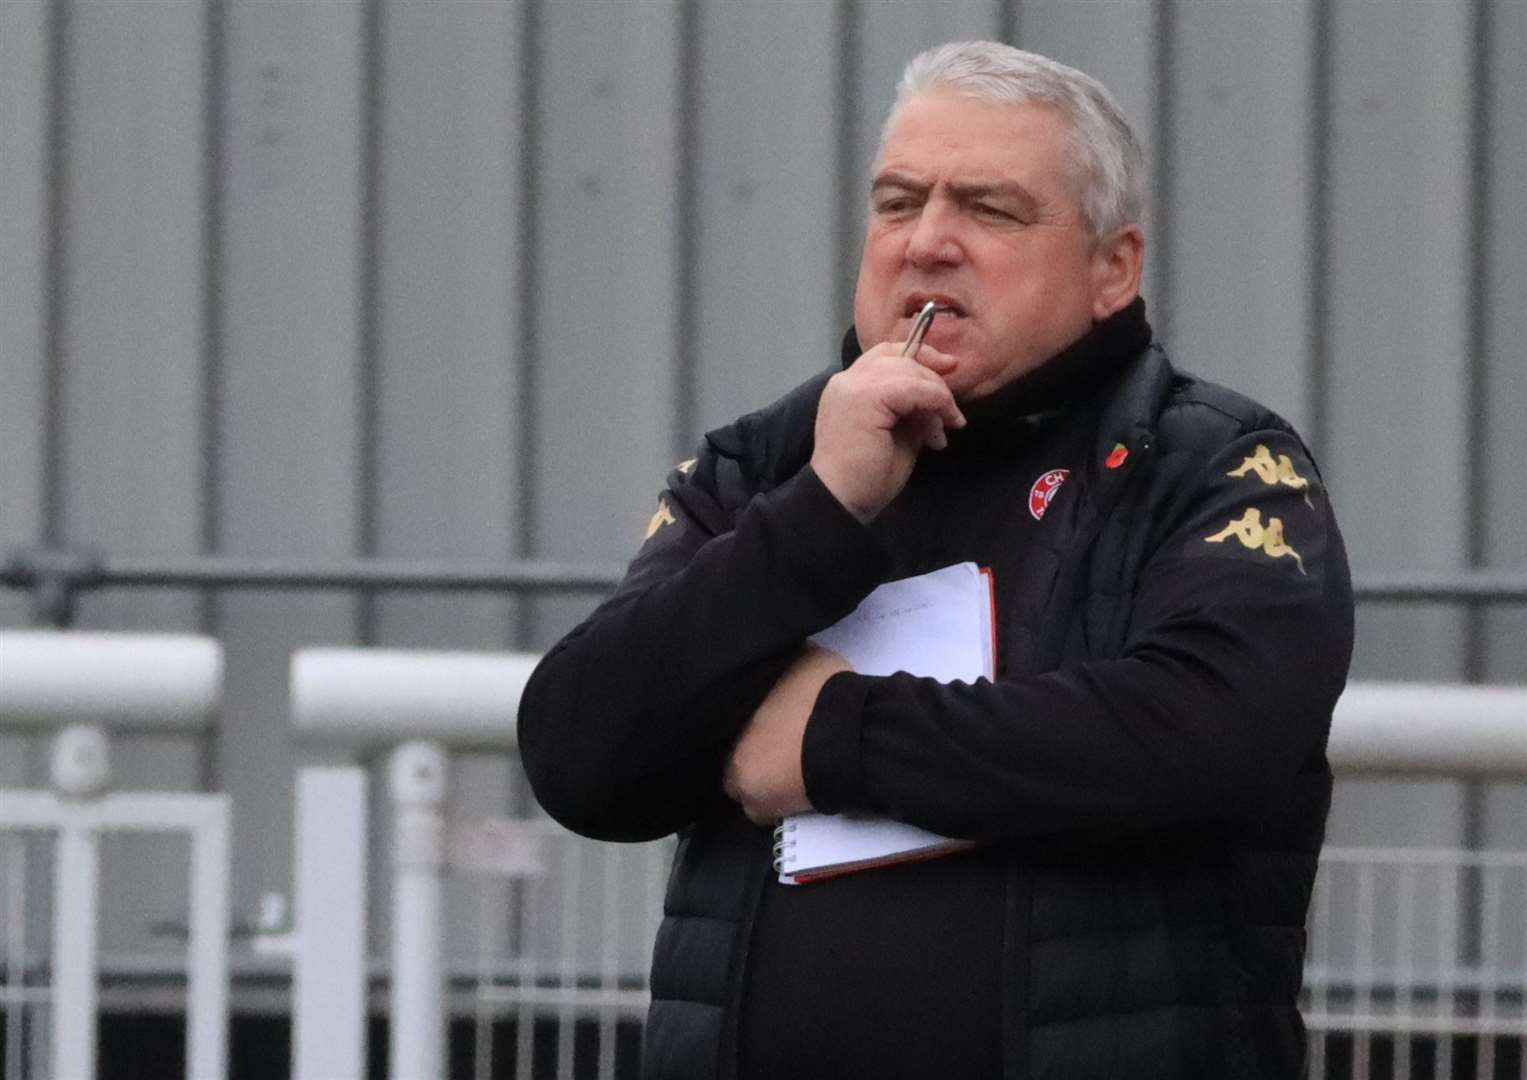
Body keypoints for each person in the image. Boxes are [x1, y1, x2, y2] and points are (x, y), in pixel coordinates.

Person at [518, 40, 1353, 1080]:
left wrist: (836, 738)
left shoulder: (1216, 465)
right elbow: (579, 755)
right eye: (899, 202)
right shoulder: (761, 468)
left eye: (990, 210)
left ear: (1113, 268)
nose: (927, 243)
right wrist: (823, 512)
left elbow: (1203, 738)